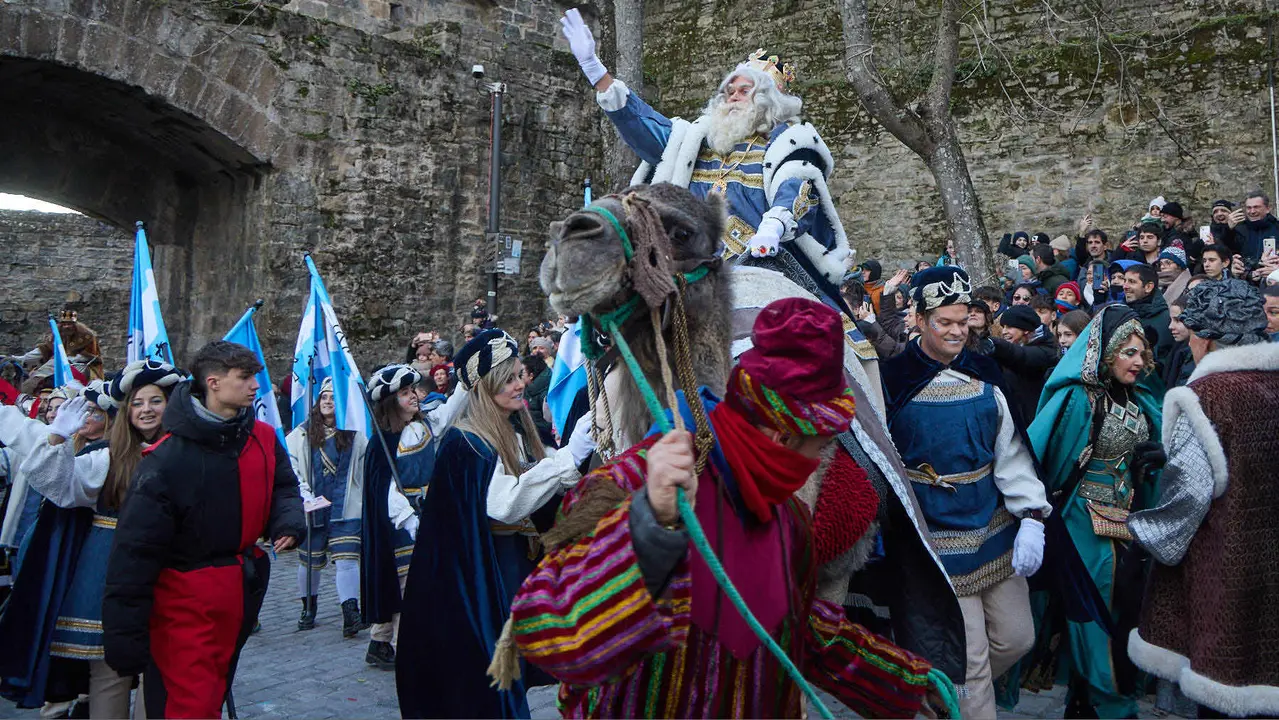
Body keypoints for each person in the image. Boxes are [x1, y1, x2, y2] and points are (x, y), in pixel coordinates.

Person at [507, 298, 935, 718]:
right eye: (818, 448)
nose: (813, 468)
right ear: (781, 437)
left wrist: (900, 681)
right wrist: (648, 525)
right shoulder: (636, 480)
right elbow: (549, 629)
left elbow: (797, 630)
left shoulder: (789, 520)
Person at [562, 9, 853, 304]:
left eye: (744, 91)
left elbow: (795, 189)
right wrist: (595, 70)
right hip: (692, 273)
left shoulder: (786, 145)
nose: (733, 97)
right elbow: (644, 124)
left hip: (767, 269)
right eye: (729, 92)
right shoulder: (695, 142)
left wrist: (772, 228)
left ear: (768, 101)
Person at [396, 330, 596, 718]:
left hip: (511, 567)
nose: (521, 383)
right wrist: (570, 456)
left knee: (514, 668)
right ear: (486, 387)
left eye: (521, 374)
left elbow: (534, 478)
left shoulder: (511, 430)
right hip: (488, 575)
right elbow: (504, 503)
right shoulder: (467, 442)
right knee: (494, 674)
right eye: (509, 378)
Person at [880, 267, 1050, 718]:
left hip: (992, 527)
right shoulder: (892, 378)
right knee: (969, 659)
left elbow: (1011, 452)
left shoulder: (984, 371)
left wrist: (1032, 516)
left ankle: (943, 697)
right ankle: (963, 699)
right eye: (945, 322)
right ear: (918, 319)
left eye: (964, 320)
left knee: (1017, 638)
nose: (958, 331)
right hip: (933, 537)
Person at [102, 342, 304, 718]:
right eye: (244, 378)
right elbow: (134, 553)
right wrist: (124, 635)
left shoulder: (260, 437)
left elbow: (283, 486)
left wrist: (287, 520)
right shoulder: (166, 459)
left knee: (211, 695)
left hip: (239, 590)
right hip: (184, 601)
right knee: (189, 706)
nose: (255, 386)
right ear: (213, 383)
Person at [1127, 280, 1278, 719]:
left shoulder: (1206, 395)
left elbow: (1189, 496)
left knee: (1223, 687)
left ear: (1207, 337)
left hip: (1226, 565)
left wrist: (1141, 529)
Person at [1016, 306, 1163, 718]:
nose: (1137, 362)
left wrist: (1154, 461)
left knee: (1122, 605)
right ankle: (1113, 703)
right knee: (1091, 607)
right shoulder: (1076, 399)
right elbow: (1039, 456)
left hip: (1128, 519)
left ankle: (1085, 701)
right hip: (1081, 518)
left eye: (1141, 354)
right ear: (1107, 352)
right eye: (1129, 352)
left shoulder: (1142, 401)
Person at [0, 365, 173, 715]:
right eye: (137, 402)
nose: (147, 409)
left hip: (167, 570)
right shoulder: (110, 456)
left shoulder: (185, 454)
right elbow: (62, 487)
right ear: (126, 411)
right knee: (109, 667)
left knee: (161, 664)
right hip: (108, 570)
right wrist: (56, 438)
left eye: (156, 401)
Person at [360, 363, 459, 670]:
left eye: (413, 390)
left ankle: (380, 642)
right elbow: (386, 492)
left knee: (406, 582)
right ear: (391, 401)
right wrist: (410, 520)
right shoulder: (382, 443)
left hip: (422, 513)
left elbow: (449, 413)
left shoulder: (423, 424)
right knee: (409, 587)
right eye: (404, 393)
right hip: (401, 523)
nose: (413, 397)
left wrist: (468, 384)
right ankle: (408, 650)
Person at [285, 378, 371, 637]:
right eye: (324, 398)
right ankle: (308, 607)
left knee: (347, 559)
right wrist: (305, 494)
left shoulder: (355, 435)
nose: (328, 402)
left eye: (333, 398)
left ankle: (350, 612)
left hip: (345, 506)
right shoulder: (301, 434)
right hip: (313, 507)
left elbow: (367, 466)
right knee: (309, 562)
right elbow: (292, 468)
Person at [990, 305, 1058, 424]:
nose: (1004, 331)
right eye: (1003, 327)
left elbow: (1021, 356)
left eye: (1009, 327)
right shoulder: (1014, 347)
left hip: (1035, 422)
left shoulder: (1047, 350)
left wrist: (995, 344)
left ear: (1026, 329)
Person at [10, 309, 104, 395]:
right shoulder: (57, 334)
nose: (66, 326)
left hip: (83, 366)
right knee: (36, 377)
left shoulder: (86, 336)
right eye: (64, 324)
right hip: (56, 364)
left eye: (69, 324)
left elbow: (89, 356)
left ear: (75, 324)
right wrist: (24, 358)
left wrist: (65, 360)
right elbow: (43, 350)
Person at [1123, 262, 1174, 370]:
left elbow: (1163, 361)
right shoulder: (1121, 313)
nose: (1125, 286)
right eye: (1125, 281)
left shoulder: (1165, 319)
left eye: (1131, 282)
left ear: (1148, 287)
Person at [1230, 191, 1279, 263]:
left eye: (1256, 207)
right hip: (1246, 273)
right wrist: (1227, 230)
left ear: (1268, 208)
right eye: (1249, 208)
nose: (1252, 211)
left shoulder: (1277, 228)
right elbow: (1226, 253)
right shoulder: (1239, 229)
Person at [1164, 302, 1196, 389]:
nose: (1170, 326)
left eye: (1177, 320)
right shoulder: (1176, 349)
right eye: (1170, 320)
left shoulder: (1194, 355)